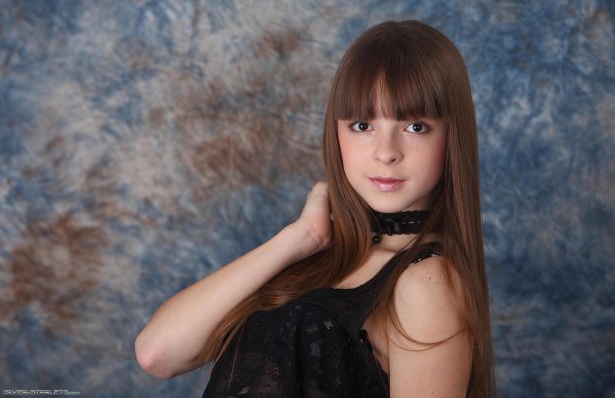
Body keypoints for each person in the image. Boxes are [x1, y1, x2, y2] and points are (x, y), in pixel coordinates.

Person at [135, 20, 496, 397]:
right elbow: (157, 353)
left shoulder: (427, 282)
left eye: (415, 127)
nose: (386, 153)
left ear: (451, 136)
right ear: (335, 131)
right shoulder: (321, 255)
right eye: (362, 125)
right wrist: (299, 237)